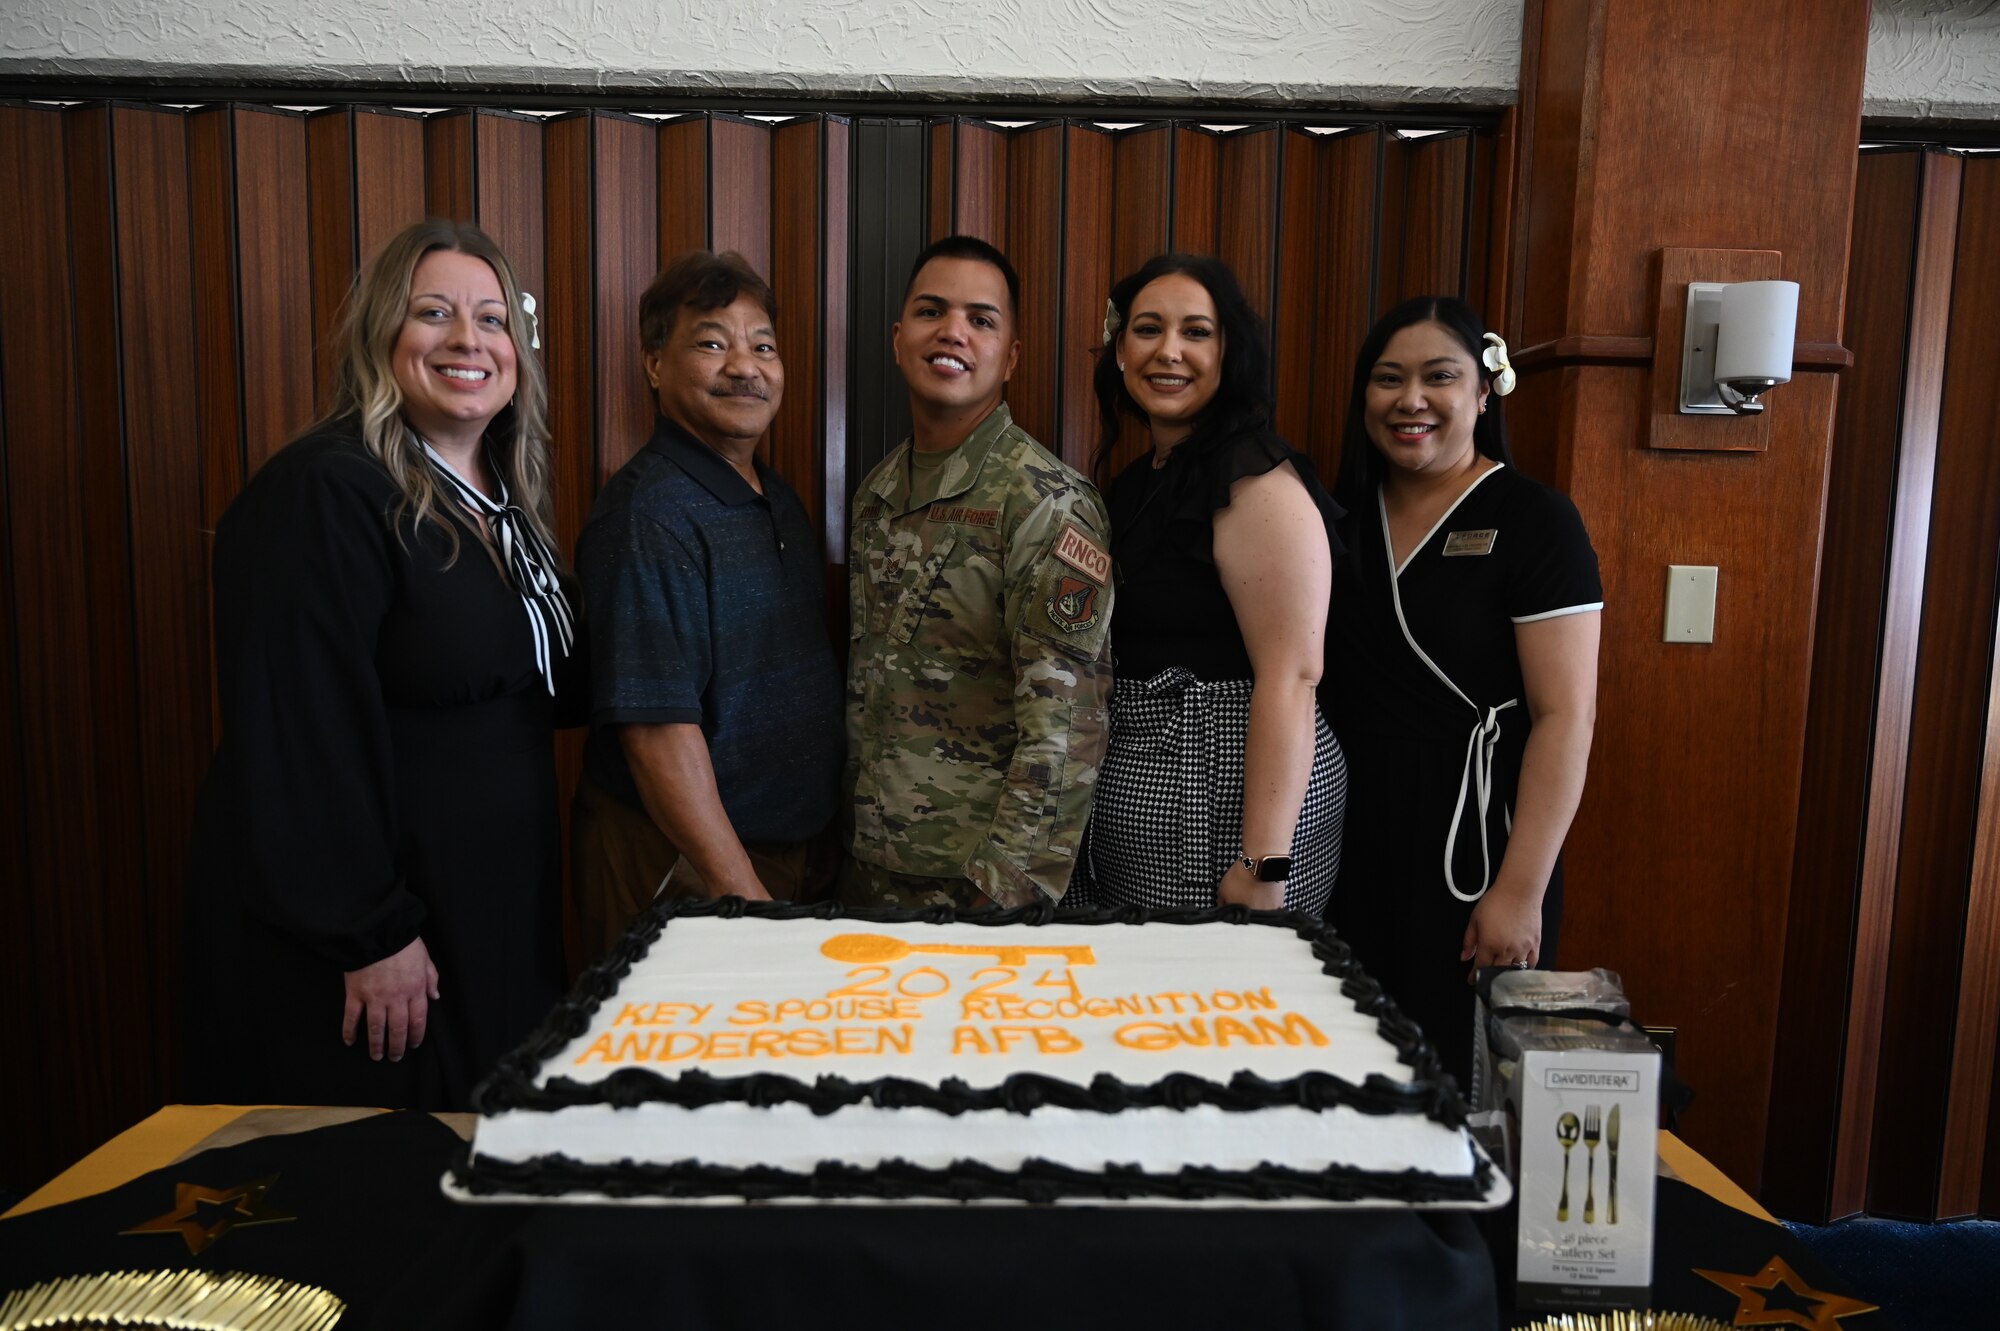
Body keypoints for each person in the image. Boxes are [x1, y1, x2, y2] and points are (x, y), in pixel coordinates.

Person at [180, 219, 580, 1110]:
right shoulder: (326, 491)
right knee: (376, 1194)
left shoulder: (501, 502)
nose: (467, 341)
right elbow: (297, 730)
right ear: (380, 337)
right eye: (433, 314)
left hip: (489, 913)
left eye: (490, 318)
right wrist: (367, 931)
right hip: (384, 929)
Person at [1325, 295, 1602, 1084]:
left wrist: (1521, 891)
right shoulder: (1337, 520)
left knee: (1457, 1068)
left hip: (1480, 839)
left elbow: (1566, 715)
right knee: (1357, 1056)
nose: (1410, 400)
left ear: (1485, 391)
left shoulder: (1535, 518)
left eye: (1438, 377)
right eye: (1388, 379)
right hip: (1353, 831)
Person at [573, 251, 842, 953]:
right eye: (713, 343)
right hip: (685, 863)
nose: (745, 366)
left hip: (783, 858)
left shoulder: (777, 497)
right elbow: (657, 732)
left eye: (764, 346)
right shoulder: (649, 515)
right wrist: (743, 898)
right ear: (655, 363)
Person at [844, 235, 1113, 910]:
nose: (953, 332)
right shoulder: (878, 493)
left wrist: (1004, 897)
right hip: (876, 868)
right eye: (933, 311)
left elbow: (1067, 726)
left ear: (1010, 356)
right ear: (901, 337)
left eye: (981, 319)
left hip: (979, 887)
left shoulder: (1045, 501)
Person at [1073, 254, 1347, 914]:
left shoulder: (1252, 479)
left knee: (1223, 1005)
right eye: (1147, 329)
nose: (1170, 351)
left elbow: (1294, 675)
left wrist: (1264, 861)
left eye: (1196, 331)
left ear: (1229, 349)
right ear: (1119, 347)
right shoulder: (1139, 480)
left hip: (1232, 795)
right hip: (1152, 788)